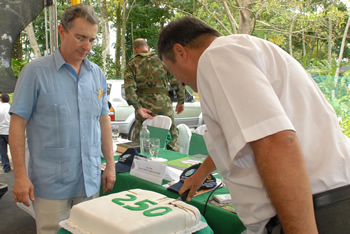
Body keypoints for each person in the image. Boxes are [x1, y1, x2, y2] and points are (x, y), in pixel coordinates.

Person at [157, 16, 350, 234]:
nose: (180, 82)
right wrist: (201, 174)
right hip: (324, 204)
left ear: (181, 52)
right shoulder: (245, 49)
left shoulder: (217, 56)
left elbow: (275, 141)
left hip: (314, 214)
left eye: (173, 72)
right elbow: (248, 136)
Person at [9, 4, 116, 233]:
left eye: (92, 39)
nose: (86, 46)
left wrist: (110, 165)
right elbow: (17, 126)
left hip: (89, 180)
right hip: (50, 185)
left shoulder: (96, 74)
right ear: (61, 31)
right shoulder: (35, 72)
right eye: (80, 37)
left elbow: (103, 120)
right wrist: (20, 176)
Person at [124, 38, 185, 151]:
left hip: (144, 106)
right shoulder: (162, 60)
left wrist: (138, 107)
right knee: (171, 135)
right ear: (148, 48)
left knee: (141, 138)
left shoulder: (132, 64)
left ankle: (142, 160)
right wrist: (181, 101)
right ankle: (173, 159)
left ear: (135, 50)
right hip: (164, 104)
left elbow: (129, 89)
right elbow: (177, 80)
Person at [0, 93, 11, 173]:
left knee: (3, 150)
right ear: (9, 100)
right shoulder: (11, 108)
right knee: (14, 150)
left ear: (1, 99)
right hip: (9, 131)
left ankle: (6, 167)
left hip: (1, 131)